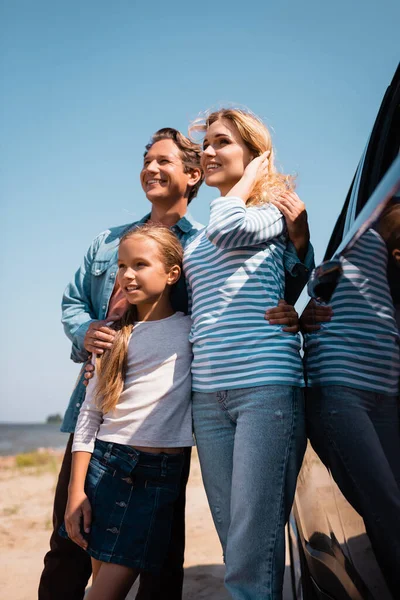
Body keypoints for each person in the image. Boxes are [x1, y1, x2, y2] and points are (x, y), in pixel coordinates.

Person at [39, 126, 312, 600]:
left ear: (192, 176)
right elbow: (71, 303)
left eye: (164, 161)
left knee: (161, 556)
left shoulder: (206, 245)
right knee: (69, 542)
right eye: (146, 160)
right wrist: (88, 333)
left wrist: (293, 304)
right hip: (98, 407)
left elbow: (243, 298)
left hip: (172, 420)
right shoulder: (109, 242)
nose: (151, 168)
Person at [184, 108, 309, 599]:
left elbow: (230, 230)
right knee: (237, 544)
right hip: (207, 397)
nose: (209, 153)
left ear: (255, 157)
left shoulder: (270, 213)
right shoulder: (200, 235)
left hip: (265, 390)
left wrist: (252, 182)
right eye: (205, 145)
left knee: (251, 548)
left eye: (222, 143)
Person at [61, 223, 193, 600]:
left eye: (140, 264)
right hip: (104, 468)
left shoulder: (192, 330)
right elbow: (89, 418)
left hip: (157, 478)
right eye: (121, 266)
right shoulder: (114, 337)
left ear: (171, 274)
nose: (127, 275)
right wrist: (75, 493)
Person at [303, 200, 400, 596]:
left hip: (386, 394)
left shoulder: (389, 266)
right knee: (388, 508)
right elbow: (314, 281)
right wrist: (317, 287)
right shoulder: (360, 239)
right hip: (342, 390)